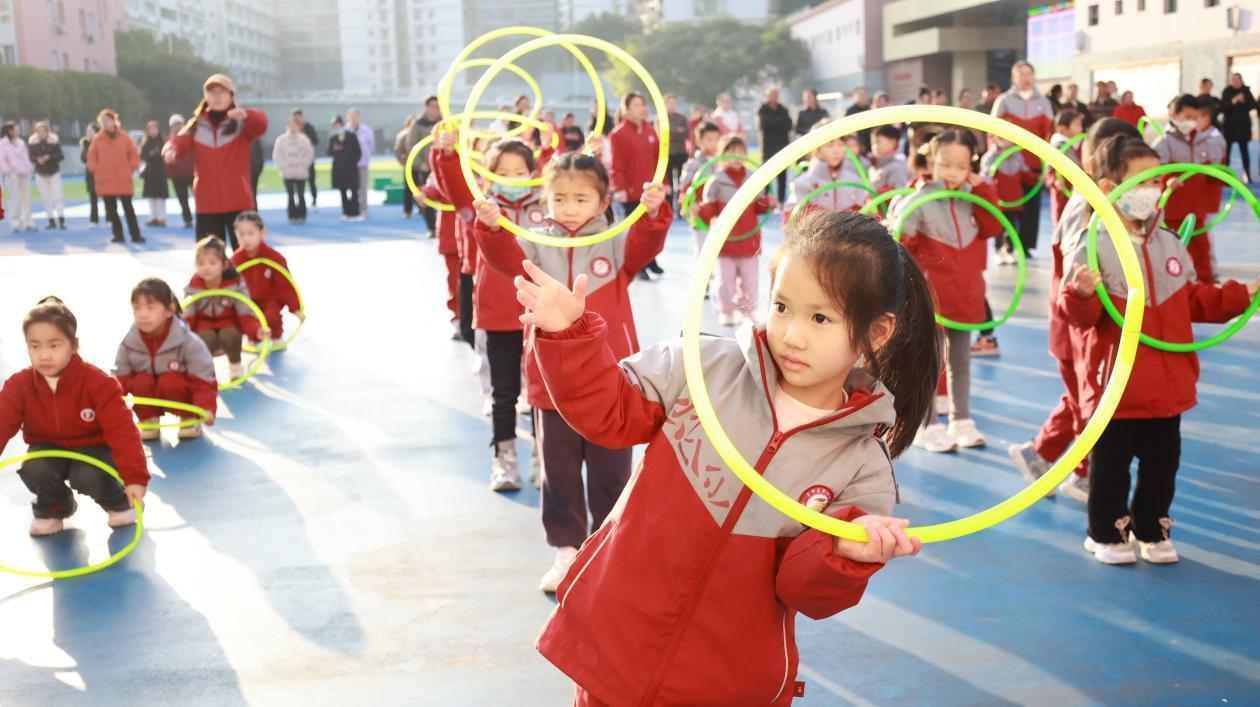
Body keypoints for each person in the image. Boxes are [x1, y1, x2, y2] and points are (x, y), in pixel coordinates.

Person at [518, 208, 933, 705]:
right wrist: (571, 335)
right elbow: (609, 411)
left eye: (820, 317)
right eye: (781, 306)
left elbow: (805, 590)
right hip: (615, 649)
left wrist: (846, 555)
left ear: (878, 332)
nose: (792, 335)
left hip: (728, 684)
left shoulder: (861, 467)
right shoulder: (700, 366)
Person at [466, 148, 670, 592]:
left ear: (602, 202)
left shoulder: (615, 241)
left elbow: (647, 243)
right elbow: (505, 259)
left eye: (581, 198)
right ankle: (567, 551)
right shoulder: (537, 242)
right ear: (545, 201)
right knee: (558, 472)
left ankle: (609, 546)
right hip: (550, 381)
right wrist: (490, 225)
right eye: (559, 198)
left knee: (612, 472)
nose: (570, 208)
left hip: (612, 380)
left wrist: (653, 213)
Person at [1058, 135, 1258, 564]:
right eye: (1140, 182)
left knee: (1162, 469)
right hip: (1118, 389)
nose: (1151, 191)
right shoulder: (1094, 243)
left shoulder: (1169, 242)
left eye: (1155, 181)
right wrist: (1080, 293)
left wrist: (1245, 293)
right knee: (1109, 470)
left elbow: (1194, 300)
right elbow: (1081, 318)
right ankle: (1105, 533)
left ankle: (1151, 527)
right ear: (1109, 187)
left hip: (1168, 388)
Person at [1008, 117, 1142, 503]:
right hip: (1076, 327)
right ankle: (1082, 471)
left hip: (1089, 326)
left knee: (1082, 396)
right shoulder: (1085, 208)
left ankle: (1043, 454)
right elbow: (1078, 271)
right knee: (1089, 400)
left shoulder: (1104, 204)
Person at [430, 132, 546, 492]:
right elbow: (455, 187)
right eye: (503, 171)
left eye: (520, 170)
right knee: (504, 394)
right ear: (489, 174)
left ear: (533, 171)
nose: (512, 177)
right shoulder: (480, 208)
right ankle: (504, 460)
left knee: (544, 393)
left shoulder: (547, 206)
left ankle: (545, 460)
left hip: (541, 314)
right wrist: (447, 153)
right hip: (498, 315)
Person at [891, 130, 1003, 453]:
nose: (953, 173)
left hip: (966, 294)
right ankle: (928, 424)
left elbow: (994, 226)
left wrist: (983, 188)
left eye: (962, 166)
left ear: (972, 166)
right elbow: (900, 244)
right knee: (929, 364)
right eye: (946, 165)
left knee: (961, 361)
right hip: (931, 298)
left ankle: (962, 419)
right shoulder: (919, 198)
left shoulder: (974, 199)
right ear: (932, 162)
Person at [0, 298, 149, 536]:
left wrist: (135, 478)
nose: (44, 355)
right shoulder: (20, 385)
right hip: (49, 447)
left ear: (74, 345)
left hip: (94, 448)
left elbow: (123, 432)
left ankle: (117, 502)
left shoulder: (97, 383)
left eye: (54, 345)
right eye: (35, 346)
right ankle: (55, 507)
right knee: (35, 467)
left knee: (87, 474)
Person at [163, 73, 268, 249]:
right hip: (207, 203)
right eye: (212, 92)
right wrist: (170, 150)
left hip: (239, 201)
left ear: (231, 96)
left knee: (248, 254)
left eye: (222, 92)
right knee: (210, 255)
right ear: (206, 96)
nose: (217, 96)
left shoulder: (241, 124)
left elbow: (262, 124)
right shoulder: (196, 125)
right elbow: (177, 141)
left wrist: (246, 114)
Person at [114, 277, 218, 441]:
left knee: (170, 381)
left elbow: (203, 378)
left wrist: (205, 407)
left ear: (170, 310)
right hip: (148, 394)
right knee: (140, 381)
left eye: (150, 308)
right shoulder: (129, 343)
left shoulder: (188, 341)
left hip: (176, 391)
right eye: (137, 308)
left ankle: (188, 417)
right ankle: (148, 418)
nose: (142, 314)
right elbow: (119, 380)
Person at [698, 135, 777, 326]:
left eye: (741, 152)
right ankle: (726, 311)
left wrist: (769, 204)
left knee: (751, 281)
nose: (737, 157)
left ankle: (747, 311)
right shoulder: (716, 181)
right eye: (732, 152)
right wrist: (697, 210)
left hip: (749, 241)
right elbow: (709, 209)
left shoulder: (752, 178)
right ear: (721, 156)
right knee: (725, 282)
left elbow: (759, 205)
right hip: (725, 242)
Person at [1153, 95, 1224, 283]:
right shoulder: (1163, 142)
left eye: (1194, 117)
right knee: (1171, 255)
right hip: (1173, 211)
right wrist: (1167, 180)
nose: (1191, 121)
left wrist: (1219, 175)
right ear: (1175, 116)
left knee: (1202, 254)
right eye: (1187, 116)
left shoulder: (1203, 140)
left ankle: (1206, 292)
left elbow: (1211, 172)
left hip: (1196, 211)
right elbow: (1153, 172)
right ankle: (1174, 293)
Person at [991, 60, 1054, 261]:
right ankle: (1003, 246)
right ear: (1014, 77)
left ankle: (1026, 245)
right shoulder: (1004, 100)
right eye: (1022, 74)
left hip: (1034, 163)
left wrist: (1048, 161)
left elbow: (1048, 133)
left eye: (1029, 74)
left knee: (1031, 207)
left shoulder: (1043, 102)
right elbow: (993, 131)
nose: (1026, 78)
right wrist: (1000, 150)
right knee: (1007, 208)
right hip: (1009, 164)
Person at [184, 236, 266, 381]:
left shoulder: (235, 284)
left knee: (230, 334)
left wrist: (257, 331)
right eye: (201, 263)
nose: (206, 267)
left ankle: (235, 367)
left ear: (224, 265)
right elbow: (187, 317)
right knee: (203, 337)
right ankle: (205, 371)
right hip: (204, 328)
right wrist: (182, 339)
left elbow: (245, 312)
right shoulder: (193, 288)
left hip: (229, 326)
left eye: (212, 263)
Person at [609, 92, 664, 279]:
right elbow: (617, 164)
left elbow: (658, 159)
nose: (642, 108)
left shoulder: (650, 130)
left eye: (643, 104)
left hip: (651, 189)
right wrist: (621, 187)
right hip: (632, 191)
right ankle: (639, 266)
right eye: (637, 105)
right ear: (626, 109)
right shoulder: (619, 133)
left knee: (651, 225)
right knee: (636, 229)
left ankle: (651, 260)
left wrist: (662, 183)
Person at [230, 212, 303, 346]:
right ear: (235, 234)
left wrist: (296, 308)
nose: (246, 239)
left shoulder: (274, 258)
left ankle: (275, 334)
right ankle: (254, 337)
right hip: (247, 300)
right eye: (241, 235)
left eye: (250, 234)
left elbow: (285, 285)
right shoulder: (235, 261)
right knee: (245, 316)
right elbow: (228, 286)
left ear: (262, 233)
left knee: (271, 316)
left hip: (270, 300)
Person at [783, 120, 868, 221]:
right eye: (829, 145)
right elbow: (789, 221)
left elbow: (864, 211)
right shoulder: (803, 183)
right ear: (816, 149)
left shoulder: (854, 181)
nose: (836, 151)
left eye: (841, 144)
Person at [88, 109, 143, 244]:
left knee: (128, 208)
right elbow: (91, 157)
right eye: (102, 121)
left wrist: (131, 167)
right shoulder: (97, 140)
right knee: (111, 210)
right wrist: (96, 169)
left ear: (114, 121)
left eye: (107, 120)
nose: (105, 123)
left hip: (123, 178)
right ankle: (118, 235)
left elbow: (133, 154)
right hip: (105, 179)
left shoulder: (124, 137)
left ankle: (135, 235)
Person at [405, 96, 442, 234]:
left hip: (442, 166)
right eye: (432, 106)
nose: (434, 109)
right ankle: (432, 228)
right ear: (426, 107)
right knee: (426, 197)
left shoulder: (444, 122)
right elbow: (411, 145)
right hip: (426, 168)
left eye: (437, 106)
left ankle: (444, 227)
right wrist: (419, 164)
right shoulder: (418, 124)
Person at [273, 118, 316, 224]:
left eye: (295, 125)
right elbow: (277, 155)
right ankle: (292, 215)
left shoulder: (304, 139)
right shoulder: (281, 140)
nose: (292, 128)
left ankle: (302, 215)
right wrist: (283, 166)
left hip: (300, 172)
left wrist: (303, 165)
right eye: (290, 125)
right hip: (287, 172)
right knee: (290, 194)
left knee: (301, 194)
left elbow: (309, 153)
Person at [1047, 110, 1084, 226]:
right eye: (1077, 125)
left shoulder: (1081, 144)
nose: (1081, 128)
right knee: (1062, 224)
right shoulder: (1057, 147)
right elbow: (1049, 171)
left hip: (1079, 192)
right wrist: (1055, 182)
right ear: (1063, 128)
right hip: (1063, 194)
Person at [28, 121, 66, 230]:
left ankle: (61, 219)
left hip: (53, 171)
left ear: (47, 132)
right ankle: (50, 220)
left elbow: (60, 155)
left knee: (57, 195)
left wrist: (49, 157)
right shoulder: (32, 142)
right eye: (38, 132)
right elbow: (30, 156)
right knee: (45, 197)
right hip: (40, 173)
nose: (40, 134)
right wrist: (37, 160)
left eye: (42, 131)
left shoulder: (54, 140)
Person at [758, 87, 794, 203]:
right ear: (767, 96)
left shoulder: (783, 109)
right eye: (771, 94)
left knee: (782, 177)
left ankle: (781, 202)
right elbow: (765, 125)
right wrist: (779, 123)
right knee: (765, 177)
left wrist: (774, 123)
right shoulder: (762, 109)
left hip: (782, 147)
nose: (774, 97)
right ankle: (766, 201)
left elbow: (788, 125)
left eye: (776, 95)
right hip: (768, 148)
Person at [1220, 72, 1256, 183]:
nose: (1235, 81)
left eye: (1237, 79)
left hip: (1243, 127)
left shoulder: (1246, 91)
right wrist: (1233, 101)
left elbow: (1253, 105)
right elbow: (1222, 108)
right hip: (1229, 127)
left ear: (1241, 80)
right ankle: (1225, 175)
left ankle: (1247, 175)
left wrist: (1243, 101)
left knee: (1244, 151)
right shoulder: (1227, 91)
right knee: (1227, 152)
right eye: (1233, 79)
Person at [0, 121, 35, 232]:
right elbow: (2, 160)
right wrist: (9, 171)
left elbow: (25, 157)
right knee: (13, 199)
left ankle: (28, 222)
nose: (18, 131)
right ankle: (15, 223)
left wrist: (29, 169)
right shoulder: (2, 143)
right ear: (10, 131)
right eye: (16, 129)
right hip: (12, 175)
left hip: (24, 174)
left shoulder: (20, 142)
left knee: (26, 199)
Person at [328, 115, 363, 221]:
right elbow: (329, 152)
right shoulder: (333, 138)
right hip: (339, 169)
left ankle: (355, 213)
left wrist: (352, 162)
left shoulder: (352, 136)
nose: (336, 127)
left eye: (338, 125)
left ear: (342, 124)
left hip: (351, 168)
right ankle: (346, 212)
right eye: (334, 126)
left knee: (354, 190)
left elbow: (358, 152)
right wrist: (335, 149)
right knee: (342, 191)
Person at [166, 114, 195, 228]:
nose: (177, 127)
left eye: (179, 124)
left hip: (192, 173)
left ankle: (202, 216)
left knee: (200, 197)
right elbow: (166, 158)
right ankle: (187, 219)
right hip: (177, 175)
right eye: (174, 125)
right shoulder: (169, 140)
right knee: (182, 199)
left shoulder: (191, 138)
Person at [140, 120, 170, 227]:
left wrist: (154, 155)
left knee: (160, 197)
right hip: (149, 173)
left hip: (160, 172)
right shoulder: (145, 143)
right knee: (151, 197)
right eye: (150, 129)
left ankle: (161, 218)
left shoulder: (162, 142)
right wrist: (152, 155)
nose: (152, 131)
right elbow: (143, 156)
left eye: (154, 129)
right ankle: (153, 218)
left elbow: (163, 156)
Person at [664, 94, 691, 210]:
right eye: (670, 103)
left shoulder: (682, 118)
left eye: (674, 103)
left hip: (681, 153)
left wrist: (672, 132)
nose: (672, 106)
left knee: (682, 182)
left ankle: (681, 208)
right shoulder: (662, 118)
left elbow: (686, 132)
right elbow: (663, 133)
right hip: (667, 155)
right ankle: (669, 208)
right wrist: (676, 132)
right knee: (668, 183)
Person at [346, 108, 374, 216]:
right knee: (352, 188)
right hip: (350, 165)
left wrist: (365, 156)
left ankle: (364, 209)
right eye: (352, 117)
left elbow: (371, 146)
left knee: (363, 187)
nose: (354, 119)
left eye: (356, 117)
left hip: (363, 163)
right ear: (348, 118)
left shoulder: (367, 131)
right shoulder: (346, 131)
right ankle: (353, 209)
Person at [869, 124, 911, 192]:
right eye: (872, 143)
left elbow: (899, 193)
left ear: (893, 142)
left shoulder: (897, 167)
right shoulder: (875, 164)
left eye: (878, 142)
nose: (874, 146)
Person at [293, 109, 320, 208]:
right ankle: (300, 201)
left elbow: (315, 141)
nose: (297, 120)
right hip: (296, 160)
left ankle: (314, 199)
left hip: (308, 159)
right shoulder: (293, 128)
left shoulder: (309, 128)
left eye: (298, 118)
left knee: (311, 180)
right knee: (298, 182)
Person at [394, 114, 419, 218]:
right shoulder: (403, 135)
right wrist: (403, 162)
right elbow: (398, 150)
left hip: (420, 165)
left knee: (421, 187)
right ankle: (407, 210)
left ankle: (422, 208)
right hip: (409, 165)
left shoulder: (419, 134)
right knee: (409, 188)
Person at [79, 122, 101, 227]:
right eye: (87, 131)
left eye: (90, 131)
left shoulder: (102, 142)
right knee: (93, 198)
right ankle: (94, 220)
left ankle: (110, 219)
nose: (88, 133)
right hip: (90, 173)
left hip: (101, 172)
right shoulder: (85, 143)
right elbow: (83, 158)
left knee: (107, 198)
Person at [843, 86, 873, 151]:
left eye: (865, 94)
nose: (863, 97)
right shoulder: (850, 111)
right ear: (855, 96)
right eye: (861, 94)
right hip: (857, 146)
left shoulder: (872, 110)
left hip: (871, 145)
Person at [249, 138, 265, 210]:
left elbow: (260, 155)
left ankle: (254, 213)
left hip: (253, 172)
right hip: (240, 174)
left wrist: (258, 170)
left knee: (253, 194)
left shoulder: (256, 140)